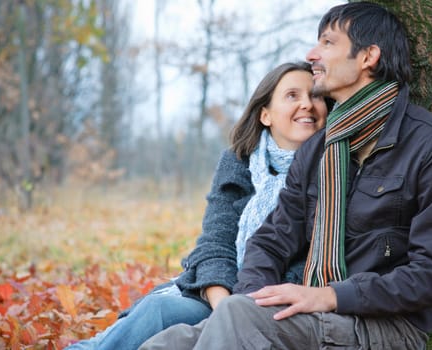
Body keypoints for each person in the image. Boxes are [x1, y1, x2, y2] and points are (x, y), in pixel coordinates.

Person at [139, 2, 432, 349]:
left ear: (368, 57)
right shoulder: (319, 149)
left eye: (328, 43)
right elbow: (270, 241)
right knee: (167, 343)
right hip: (314, 316)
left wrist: (331, 296)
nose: (312, 54)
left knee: (236, 318)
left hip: (386, 326)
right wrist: (255, 299)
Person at [64, 61, 328, 350]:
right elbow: (216, 243)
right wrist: (226, 308)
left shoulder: (333, 170)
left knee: (157, 316)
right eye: (292, 95)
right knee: (148, 316)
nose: (307, 104)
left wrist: (242, 313)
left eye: (315, 95)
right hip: (218, 294)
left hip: (272, 305)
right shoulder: (238, 164)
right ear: (265, 114)